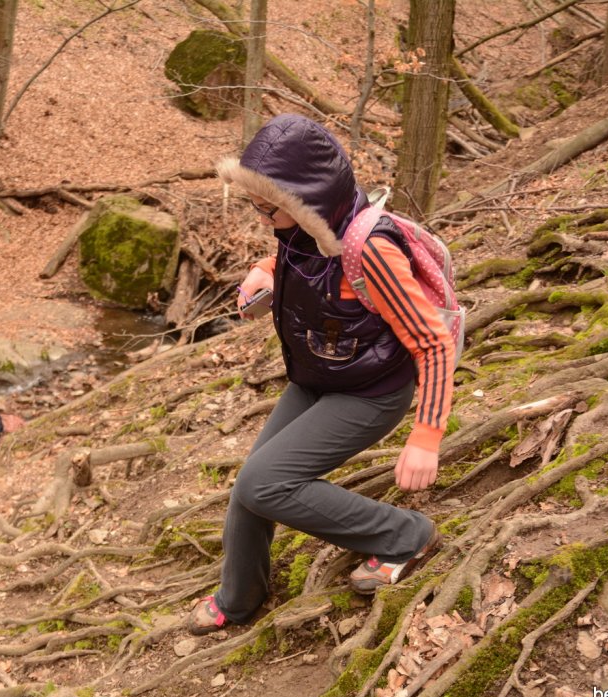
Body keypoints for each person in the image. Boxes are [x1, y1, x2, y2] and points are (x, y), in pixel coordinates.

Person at [186, 114, 456, 635]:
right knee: (250, 485)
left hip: (370, 393)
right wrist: (264, 272)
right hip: (317, 379)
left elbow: (432, 342)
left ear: (307, 198)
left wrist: (426, 436)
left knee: (266, 484)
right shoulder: (304, 228)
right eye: (255, 205)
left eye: (270, 208)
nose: (264, 218)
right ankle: (240, 596)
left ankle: (406, 535)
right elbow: (299, 257)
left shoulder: (371, 250)